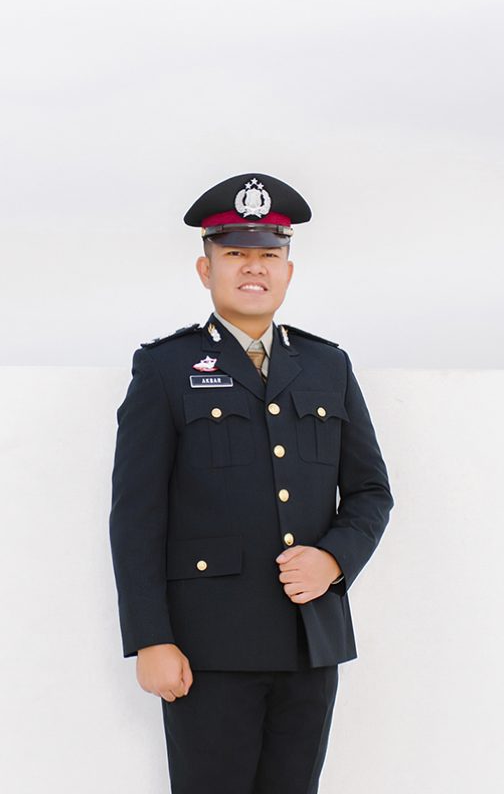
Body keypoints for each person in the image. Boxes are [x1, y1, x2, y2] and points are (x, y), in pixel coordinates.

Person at [108, 172, 394, 794]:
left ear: (288, 271)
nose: (253, 267)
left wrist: (333, 560)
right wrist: (151, 639)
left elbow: (371, 492)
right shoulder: (166, 368)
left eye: (269, 254)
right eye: (235, 253)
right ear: (205, 269)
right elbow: (137, 515)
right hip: (206, 648)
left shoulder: (327, 365)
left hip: (309, 641)